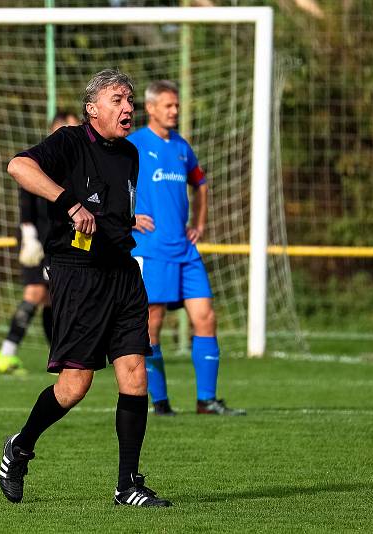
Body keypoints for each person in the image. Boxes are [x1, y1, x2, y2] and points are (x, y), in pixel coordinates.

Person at [0, 69, 171, 507]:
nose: (127, 107)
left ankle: (127, 484)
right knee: (76, 386)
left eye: (129, 99)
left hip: (123, 274)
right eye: (117, 99)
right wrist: (68, 203)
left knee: (134, 375)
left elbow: (109, 208)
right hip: (78, 274)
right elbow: (18, 165)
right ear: (92, 108)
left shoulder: (131, 154)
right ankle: (20, 447)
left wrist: (128, 222)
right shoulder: (70, 141)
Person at [129, 80, 245, 417]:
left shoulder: (181, 146)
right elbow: (109, 183)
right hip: (151, 249)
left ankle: (206, 400)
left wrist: (201, 224)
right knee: (151, 324)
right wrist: (129, 216)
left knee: (206, 317)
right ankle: (160, 402)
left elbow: (201, 183)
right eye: (168, 105)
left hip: (185, 249)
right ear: (150, 108)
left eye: (176, 105)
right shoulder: (133, 145)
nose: (174, 111)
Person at [0, 111, 80, 376]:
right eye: (63, 128)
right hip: (36, 241)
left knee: (52, 299)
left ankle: (57, 358)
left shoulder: (76, 165)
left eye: (73, 128)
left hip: (58, 240)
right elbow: (26, 200)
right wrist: (29, 237)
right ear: (53, 130)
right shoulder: (41, 159)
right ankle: (5, 354)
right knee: (34, 293)